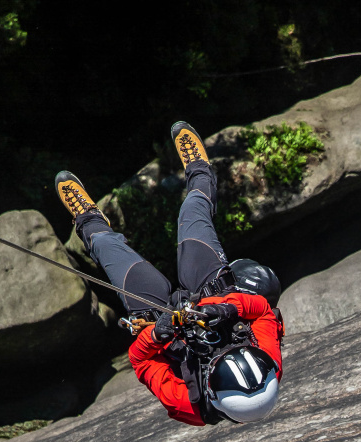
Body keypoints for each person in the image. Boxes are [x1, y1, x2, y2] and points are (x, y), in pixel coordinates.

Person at [54, 122, 284, 426]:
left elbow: (141, 360)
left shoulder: (188, 404)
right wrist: (224, 307)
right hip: (214, 298)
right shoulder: (268, 365)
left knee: (108, 249)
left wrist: (160, 331)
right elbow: (264, 313)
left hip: (168, 332)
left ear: (213, 394)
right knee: (192, 214)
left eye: (215, 366)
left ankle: (88, 220)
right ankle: (200, 169)